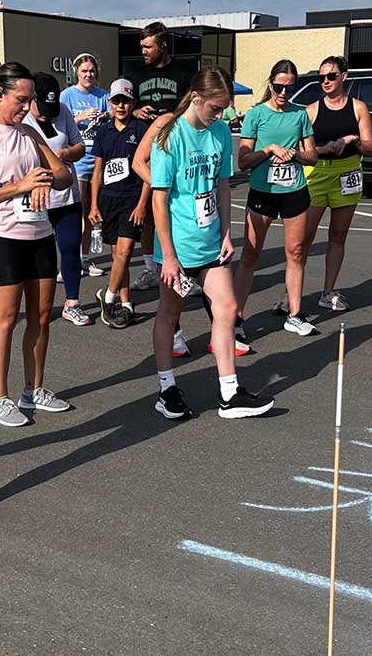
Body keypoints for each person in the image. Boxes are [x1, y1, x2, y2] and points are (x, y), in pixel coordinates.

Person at [148, 66, 274, 420]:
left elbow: (222, 185)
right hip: (178, 245)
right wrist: (169, 257)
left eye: (224, 109)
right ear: (196, 98)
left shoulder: (219, 132)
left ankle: (230, 393)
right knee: (170, 314)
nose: (220, 115)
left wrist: (226, 234)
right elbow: (159, 199)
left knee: (227, 309)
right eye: (215, 108)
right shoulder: (170, 135)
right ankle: (166, 388)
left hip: (210, 243)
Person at [0, 62, 74, 428]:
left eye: (31, 100)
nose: (27, 107)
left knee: (42, 317)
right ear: (0, 94)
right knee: (5, 319)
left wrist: (45, 179)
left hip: (39, 235)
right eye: (21, 100)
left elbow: (62, 173)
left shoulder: (29, 132)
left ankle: (34, 389)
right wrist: (20, 187)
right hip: (1, 238)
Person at [233, 60, 318, 348]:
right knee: (250, 255)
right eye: (279, 86)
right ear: (270, 84)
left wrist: (294, 155)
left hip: (293, 190)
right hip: (262, 191)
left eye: (289, 87)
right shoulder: (256, 114)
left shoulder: (300, 115)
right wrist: (268, 150)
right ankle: (236, 319)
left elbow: (312, 157)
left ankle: (294, 314)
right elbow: (243, 161)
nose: (283, 92)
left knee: (295, 252)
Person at [301, 56, 372, 312]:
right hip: (317, 172)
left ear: (344, 76)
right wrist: (325, 148)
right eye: (321, 77)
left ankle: (328, 291)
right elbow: (303, 151)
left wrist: (352, 141)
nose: (325, 82)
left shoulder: (358, 108)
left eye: (331, 76)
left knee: (338, 235)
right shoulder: (311, 110)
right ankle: (292, 293)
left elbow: (370, 147)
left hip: (348, 172)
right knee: (303, 238)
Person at [23, 72, 91, 326]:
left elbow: (81, 146)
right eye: (43, 107)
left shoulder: (62, 111)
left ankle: (72, 303)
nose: (47, 114)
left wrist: (66, 153)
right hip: (36, 198)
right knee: (39, 255)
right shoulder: (22, 117)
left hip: (66, 195)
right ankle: (39, 306)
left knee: (70, 247)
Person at [130, 22, 194, 291]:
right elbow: (125, 107)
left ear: (163, 46)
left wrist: (169, 118)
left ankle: (185, 268)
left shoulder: (183, 73)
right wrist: (136, 112)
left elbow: (191, 106)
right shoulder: (136, 72)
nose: (143, 50)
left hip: (173, 148)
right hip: (145, 150)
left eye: (148, 46)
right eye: (142, 45)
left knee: (175, 210)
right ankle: (150, 269)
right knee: (145, 212)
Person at [89, 78, 149, 328]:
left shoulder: (141, 129)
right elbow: (98, 170)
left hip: (131, 199)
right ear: (110, 104)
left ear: (132, 102)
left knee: (125, 252)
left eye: (125, 101)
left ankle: (108, 295)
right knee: (117, 257)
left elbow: (150, 168)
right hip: (107, 200)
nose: (121, 106)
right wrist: (93, 204)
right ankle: (124, 303)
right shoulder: (103, 131)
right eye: (116, 101)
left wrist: (142, 204)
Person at [59, 52, 109, 278]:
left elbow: (114, 115)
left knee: (91, 211)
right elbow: (58, 123)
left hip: (98, 161)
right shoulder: (67, 96)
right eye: (84, 71)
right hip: (77, 161)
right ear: (75, 73)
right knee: (75, 213)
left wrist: (105, 116)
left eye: (91, 71)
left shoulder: (103, 95)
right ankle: (68, 262)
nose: (88, 75)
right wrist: (80, 118)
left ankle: (85, 258)